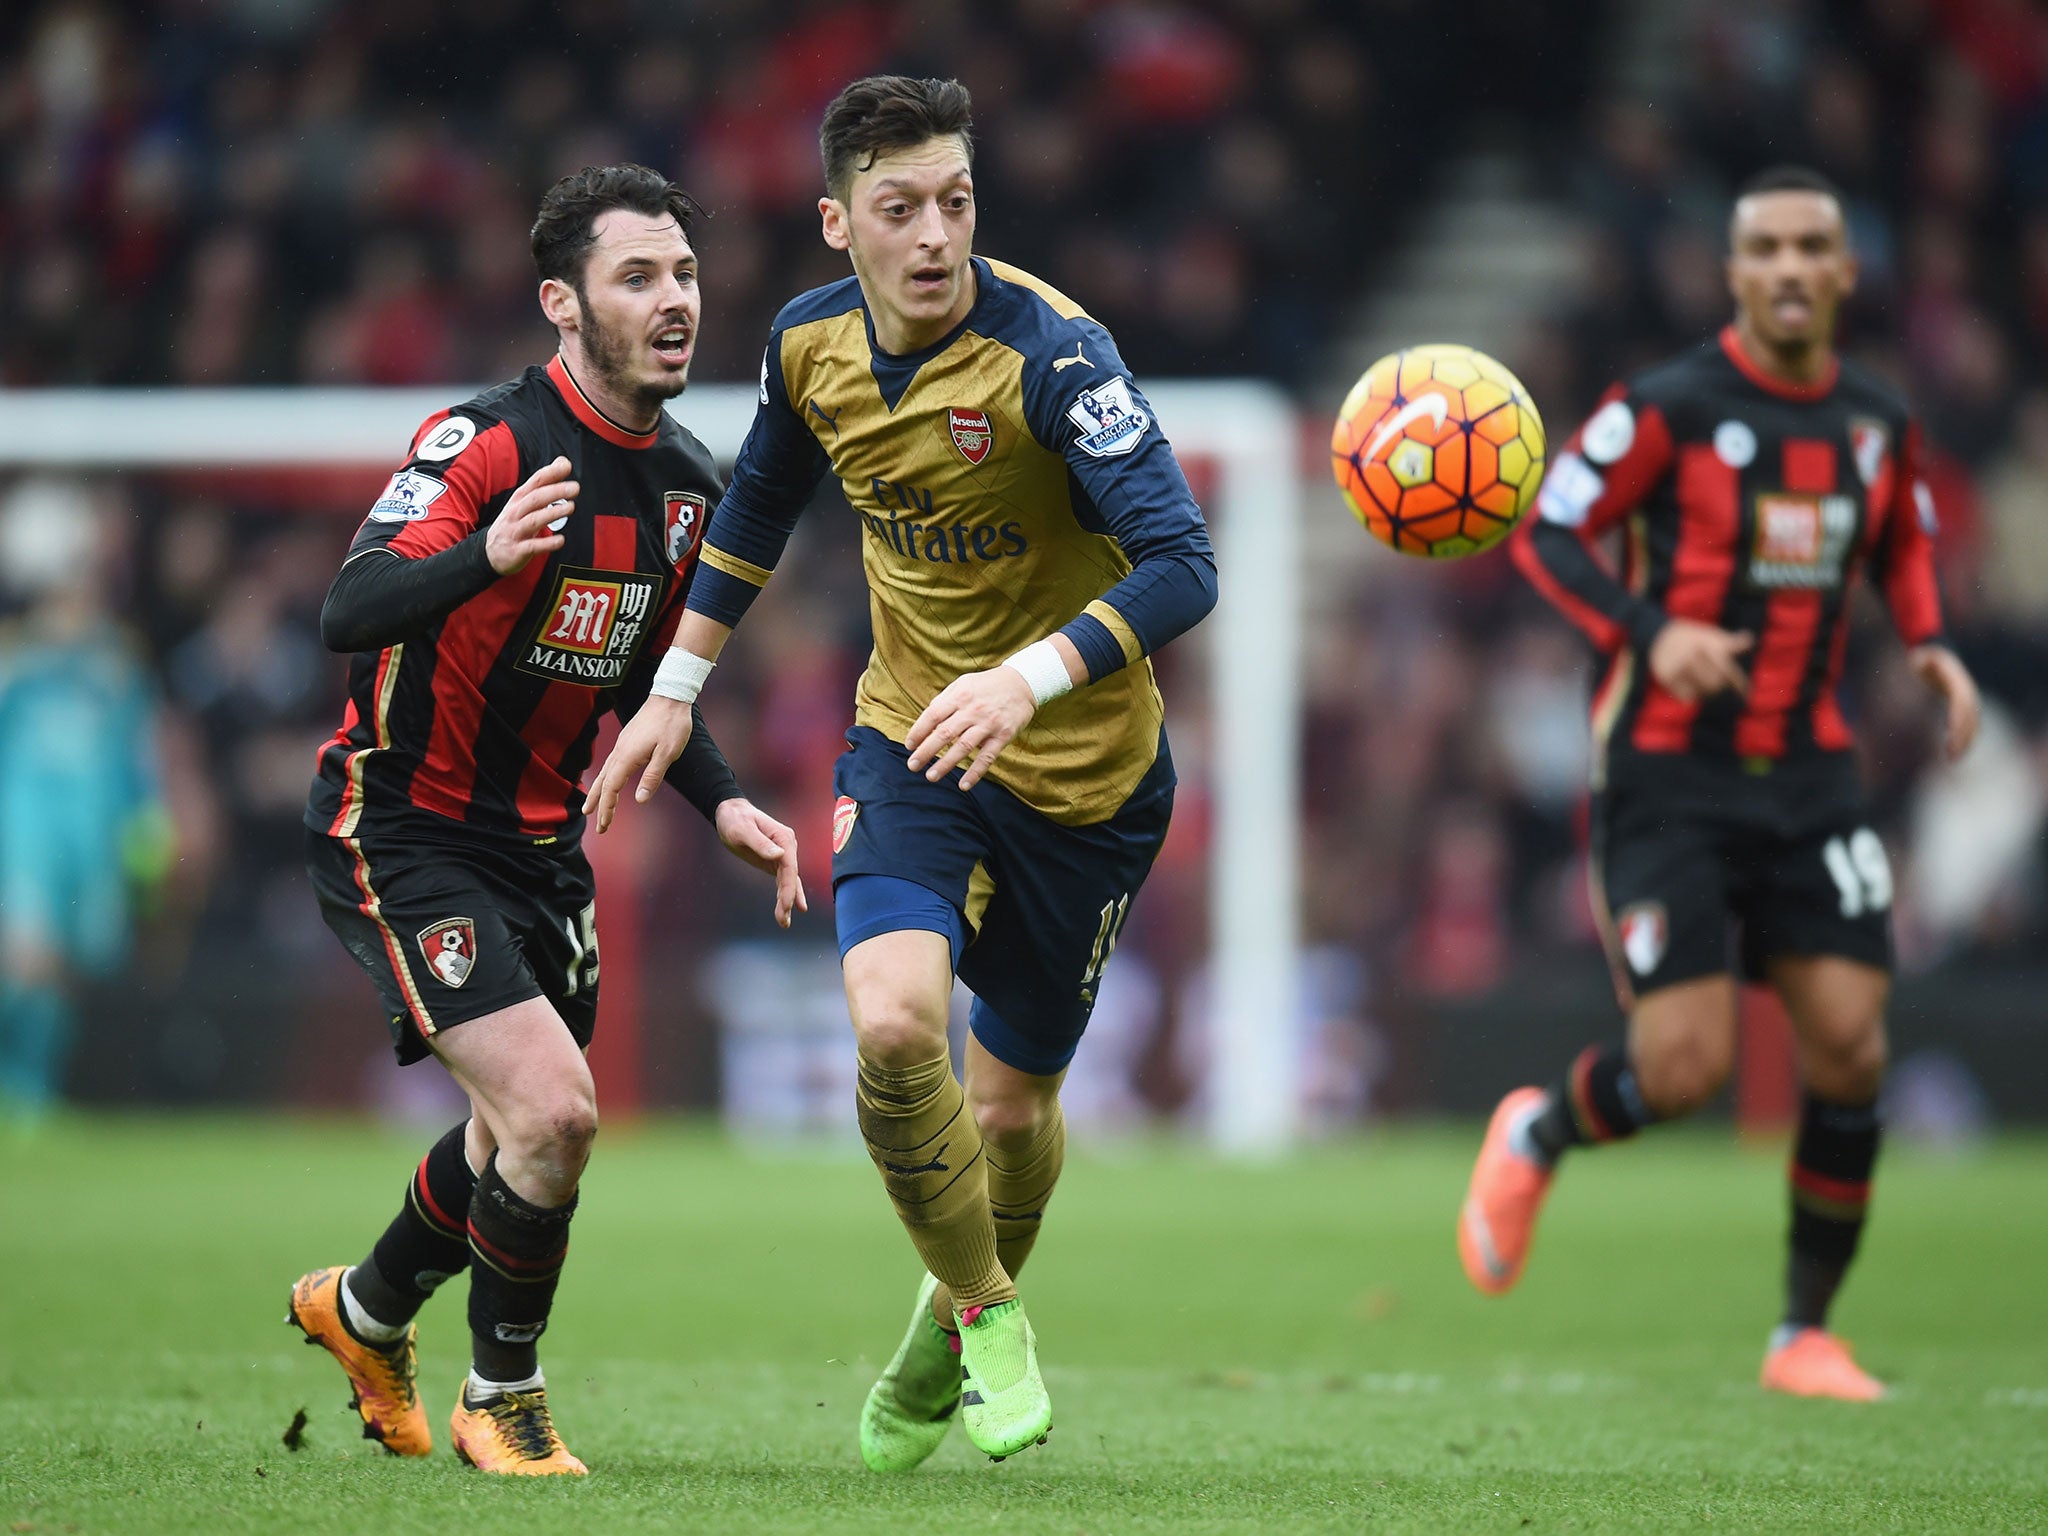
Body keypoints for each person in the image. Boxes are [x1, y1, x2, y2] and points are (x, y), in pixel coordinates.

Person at [586, 76, 1216, 1467]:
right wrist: (676, 689)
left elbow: (1186, 564)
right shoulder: (809, 347)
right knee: (889, 1027)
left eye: (957, 201)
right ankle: (989, 1312)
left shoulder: (1056, 357)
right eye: (900, 208)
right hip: (916, 744)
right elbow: (758, 502)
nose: (935, 233)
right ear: (836, 224)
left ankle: (936, 1335)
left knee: (1009, 1108)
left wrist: (1030, 677)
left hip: (1087, 780)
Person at [289, 163, 806, 1477]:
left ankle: (362, 1314)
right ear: (561, 306)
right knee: (558, 1117)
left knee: (507, 1134)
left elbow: (647, 681)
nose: (674, 299)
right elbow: (348, 609)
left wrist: (725, 797)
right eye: (639, 277)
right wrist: (486, 558)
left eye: (683, 274)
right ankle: (498, 1397)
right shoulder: (487, 446)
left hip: (539, 854)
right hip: (400, 826)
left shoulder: (690, 489)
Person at [1461, 166, 1980, 1401]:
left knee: (1849, 1046)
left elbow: (1900, 540)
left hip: (1807, 777)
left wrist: (1927, 643)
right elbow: (1547, 529)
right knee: (1682, 1072)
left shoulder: (1871, 420)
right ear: (1733, 273)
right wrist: (1651, 632)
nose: (1793, 268)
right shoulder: (1665, 409)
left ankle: (1801, 1334)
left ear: (1845, 272)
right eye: (1767, 249)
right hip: (1665, 775)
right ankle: (1538, 1130)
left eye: (1815, 247)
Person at [0, 479, 168, 1125]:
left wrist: (148, 820)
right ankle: (21, 1091)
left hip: (94, 834)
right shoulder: (18, 661)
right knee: (28, 957)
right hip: (28, 828)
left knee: (76, 962)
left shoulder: (116, 663)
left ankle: (32, 1091)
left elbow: (139, 753)